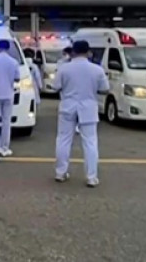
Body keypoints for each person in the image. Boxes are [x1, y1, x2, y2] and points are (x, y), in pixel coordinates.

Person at [51, 40, 109, 187]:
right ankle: (91, 177)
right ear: (88, 52)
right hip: (88, 107)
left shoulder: (64, 68)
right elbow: (105, 88)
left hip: (68, 106)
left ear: (73, 52)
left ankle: (60, 172)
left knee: (63, 140)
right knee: (90, 142)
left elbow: (55, 86)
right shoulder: (97, 69)